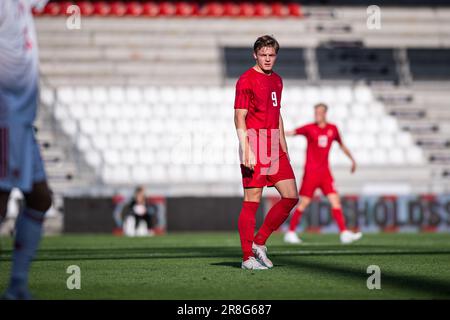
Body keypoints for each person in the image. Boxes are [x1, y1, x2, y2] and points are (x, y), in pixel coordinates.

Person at [0, 0, 52, 299]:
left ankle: (17, 285)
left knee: (41, 198)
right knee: (2, 199)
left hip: (21, 120)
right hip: (6, 116)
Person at [234, 35, 299, 270]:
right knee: (252, 200)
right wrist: (246, 149)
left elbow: (277, 113)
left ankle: (259, 242)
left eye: (271, 55)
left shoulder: (278, 81)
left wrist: (284, 145)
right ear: (255, 55)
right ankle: (246, 258)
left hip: (274, 145)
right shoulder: (246, 80)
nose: (267, 59)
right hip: (254, 143)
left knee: (291, 196)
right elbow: (239, 117)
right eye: (263, 55)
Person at [284, 103, 362, 244]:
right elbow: (292, 132)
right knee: (304, 203)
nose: (317, 114)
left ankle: (344, 233)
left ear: (325, 113)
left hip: (325, 173)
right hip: (311, 173)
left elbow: (341, 144)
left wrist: (352, 160)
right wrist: (275, 133)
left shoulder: (333, 129)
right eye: (316, 112)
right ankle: (290, 232)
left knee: (335, 201)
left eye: (319, 112)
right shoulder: (309, 128)